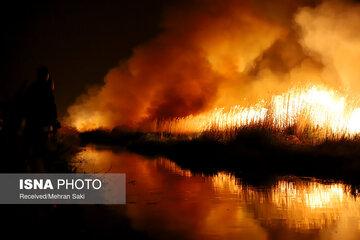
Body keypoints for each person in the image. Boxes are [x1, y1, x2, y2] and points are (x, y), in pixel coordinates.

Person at [24, 66, 60, 162]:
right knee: (40, 149)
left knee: (33, 149)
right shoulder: (46, 89)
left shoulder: (32, 87)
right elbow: (51, 106)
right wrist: (54, 122)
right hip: (41, 124)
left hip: (32, 123)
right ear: (45, 75)